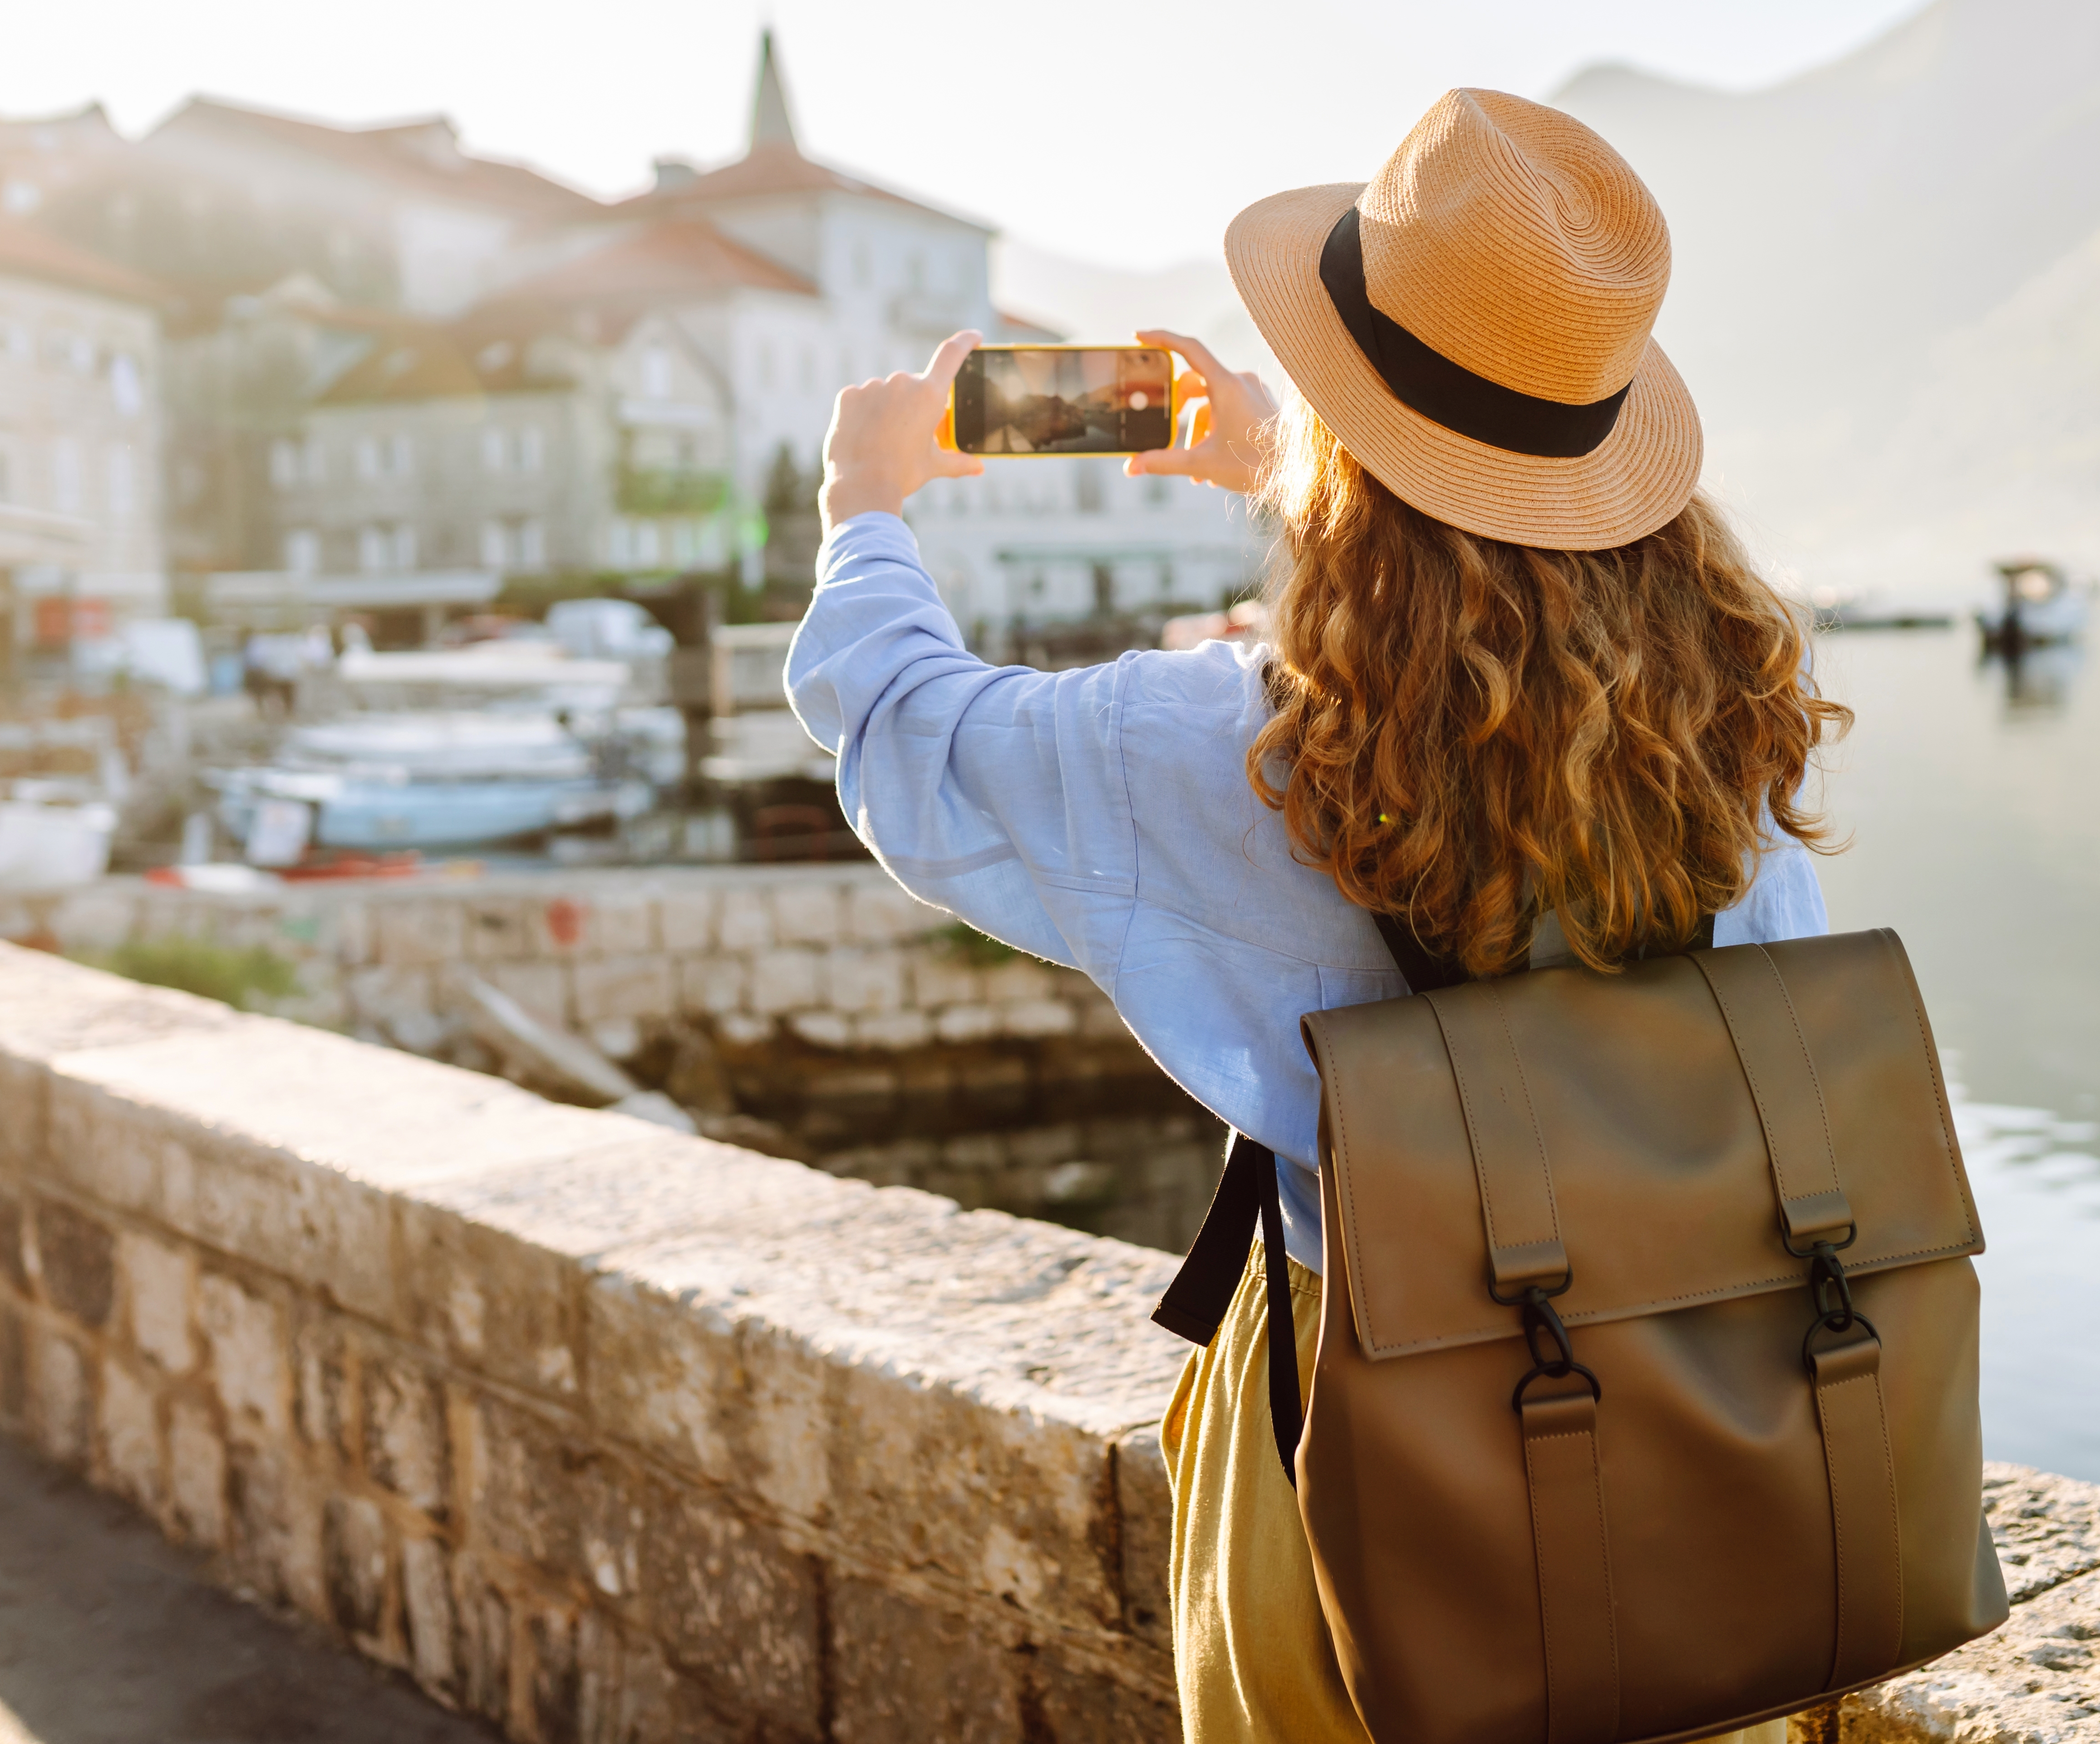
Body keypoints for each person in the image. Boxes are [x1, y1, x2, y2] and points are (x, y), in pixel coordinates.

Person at [788, 88, 1847, 1744]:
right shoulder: (1727, 735)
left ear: (1343, 427)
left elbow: (904, 734)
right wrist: (1287, 467)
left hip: (1360, 1453)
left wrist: (868, 508)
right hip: (1709, 1434)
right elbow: (1497, 608)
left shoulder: (1234, 750)